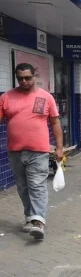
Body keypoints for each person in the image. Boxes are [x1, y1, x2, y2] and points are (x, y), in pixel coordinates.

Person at [0, 63, 64, 240]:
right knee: (22, 186)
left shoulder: (46, 97)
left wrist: (59, 147)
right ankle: (29, 217)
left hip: (39, 151)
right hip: (15, 151)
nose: (24, 81)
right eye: (20, 78)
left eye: (27, 78)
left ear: (34, 76)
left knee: (37, 184)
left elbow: (55, 123)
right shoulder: (6, 97)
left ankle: (39, 222)